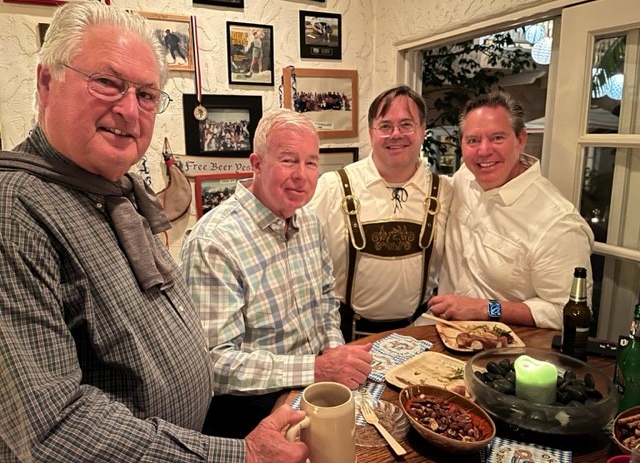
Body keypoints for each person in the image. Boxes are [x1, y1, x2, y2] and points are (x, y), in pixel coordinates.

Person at [0, 1, 308, 463]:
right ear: (47, 82)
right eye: (107, 82)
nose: (129, 109)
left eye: (146, 94)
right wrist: (241, 456)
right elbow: (53, 428)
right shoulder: (15, 207)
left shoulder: (113, 194)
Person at [179, 108, 373, 439]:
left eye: (311, 163)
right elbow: (213, 365)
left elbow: (326, 300)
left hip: (312, 387)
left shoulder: (309, 221)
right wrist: (317, 369)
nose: (302, 175)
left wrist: (334, 352)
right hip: (250, 412)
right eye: (288, 160)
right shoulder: (214, 241)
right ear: (256, 164)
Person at [428, 92, 595, 330]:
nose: (484, 150)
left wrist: (487, 309)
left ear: (521, 139)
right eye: (473, 140)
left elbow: (565, 311)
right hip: (440, 330)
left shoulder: (558, 224)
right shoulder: (465, 177)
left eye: (497, 138)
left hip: (507, 348)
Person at [309, 85, 452, 342]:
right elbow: (304, 262)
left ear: (422, 130)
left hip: (419, 333)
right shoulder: (332, 187)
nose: (396, 134)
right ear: (370, 132)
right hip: (346, 337)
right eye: (385, 126)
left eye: (406, 124)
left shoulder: (445, 191)